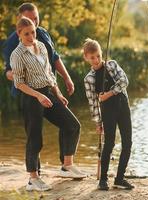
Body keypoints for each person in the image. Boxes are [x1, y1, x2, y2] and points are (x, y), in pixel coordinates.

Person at [10, 17, 85, 192]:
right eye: (26, 33)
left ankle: (67, 166)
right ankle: (33, 179)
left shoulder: (42, 47)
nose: (30, 36)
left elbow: (49, 74)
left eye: (33, 32)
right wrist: (38, 96)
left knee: (72, 125)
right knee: (35, 138)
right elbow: (19, 83)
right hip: (31, 97)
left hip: (48, 93)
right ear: (19, 34)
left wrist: (58, 93)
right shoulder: (17, 54)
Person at [2, 2, 74, 169]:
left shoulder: (42, 35)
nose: (34, 22)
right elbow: (8, 72)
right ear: (19, 21)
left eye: (36, 18)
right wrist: (25, 77)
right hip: (28, 93)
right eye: (29, 19)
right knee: (34, 136)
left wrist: (66, 78)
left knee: (68, 123)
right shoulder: (12, 43)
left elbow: (54, 58)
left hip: (49, 88)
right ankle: (35, 174)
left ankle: (66, 164)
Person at [83, 38, 134, 190]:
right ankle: (103, 180)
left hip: (123, 107)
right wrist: (98, 123)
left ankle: (119, 178)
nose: (97, 59)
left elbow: (124, 81)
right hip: (107, 112)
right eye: (92, 57)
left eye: (98, 55)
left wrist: (109, 94)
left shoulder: (111, 64)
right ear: (86, 58)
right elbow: (93, 103)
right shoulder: (89, 79)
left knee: (127, 143)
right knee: (109, 144)